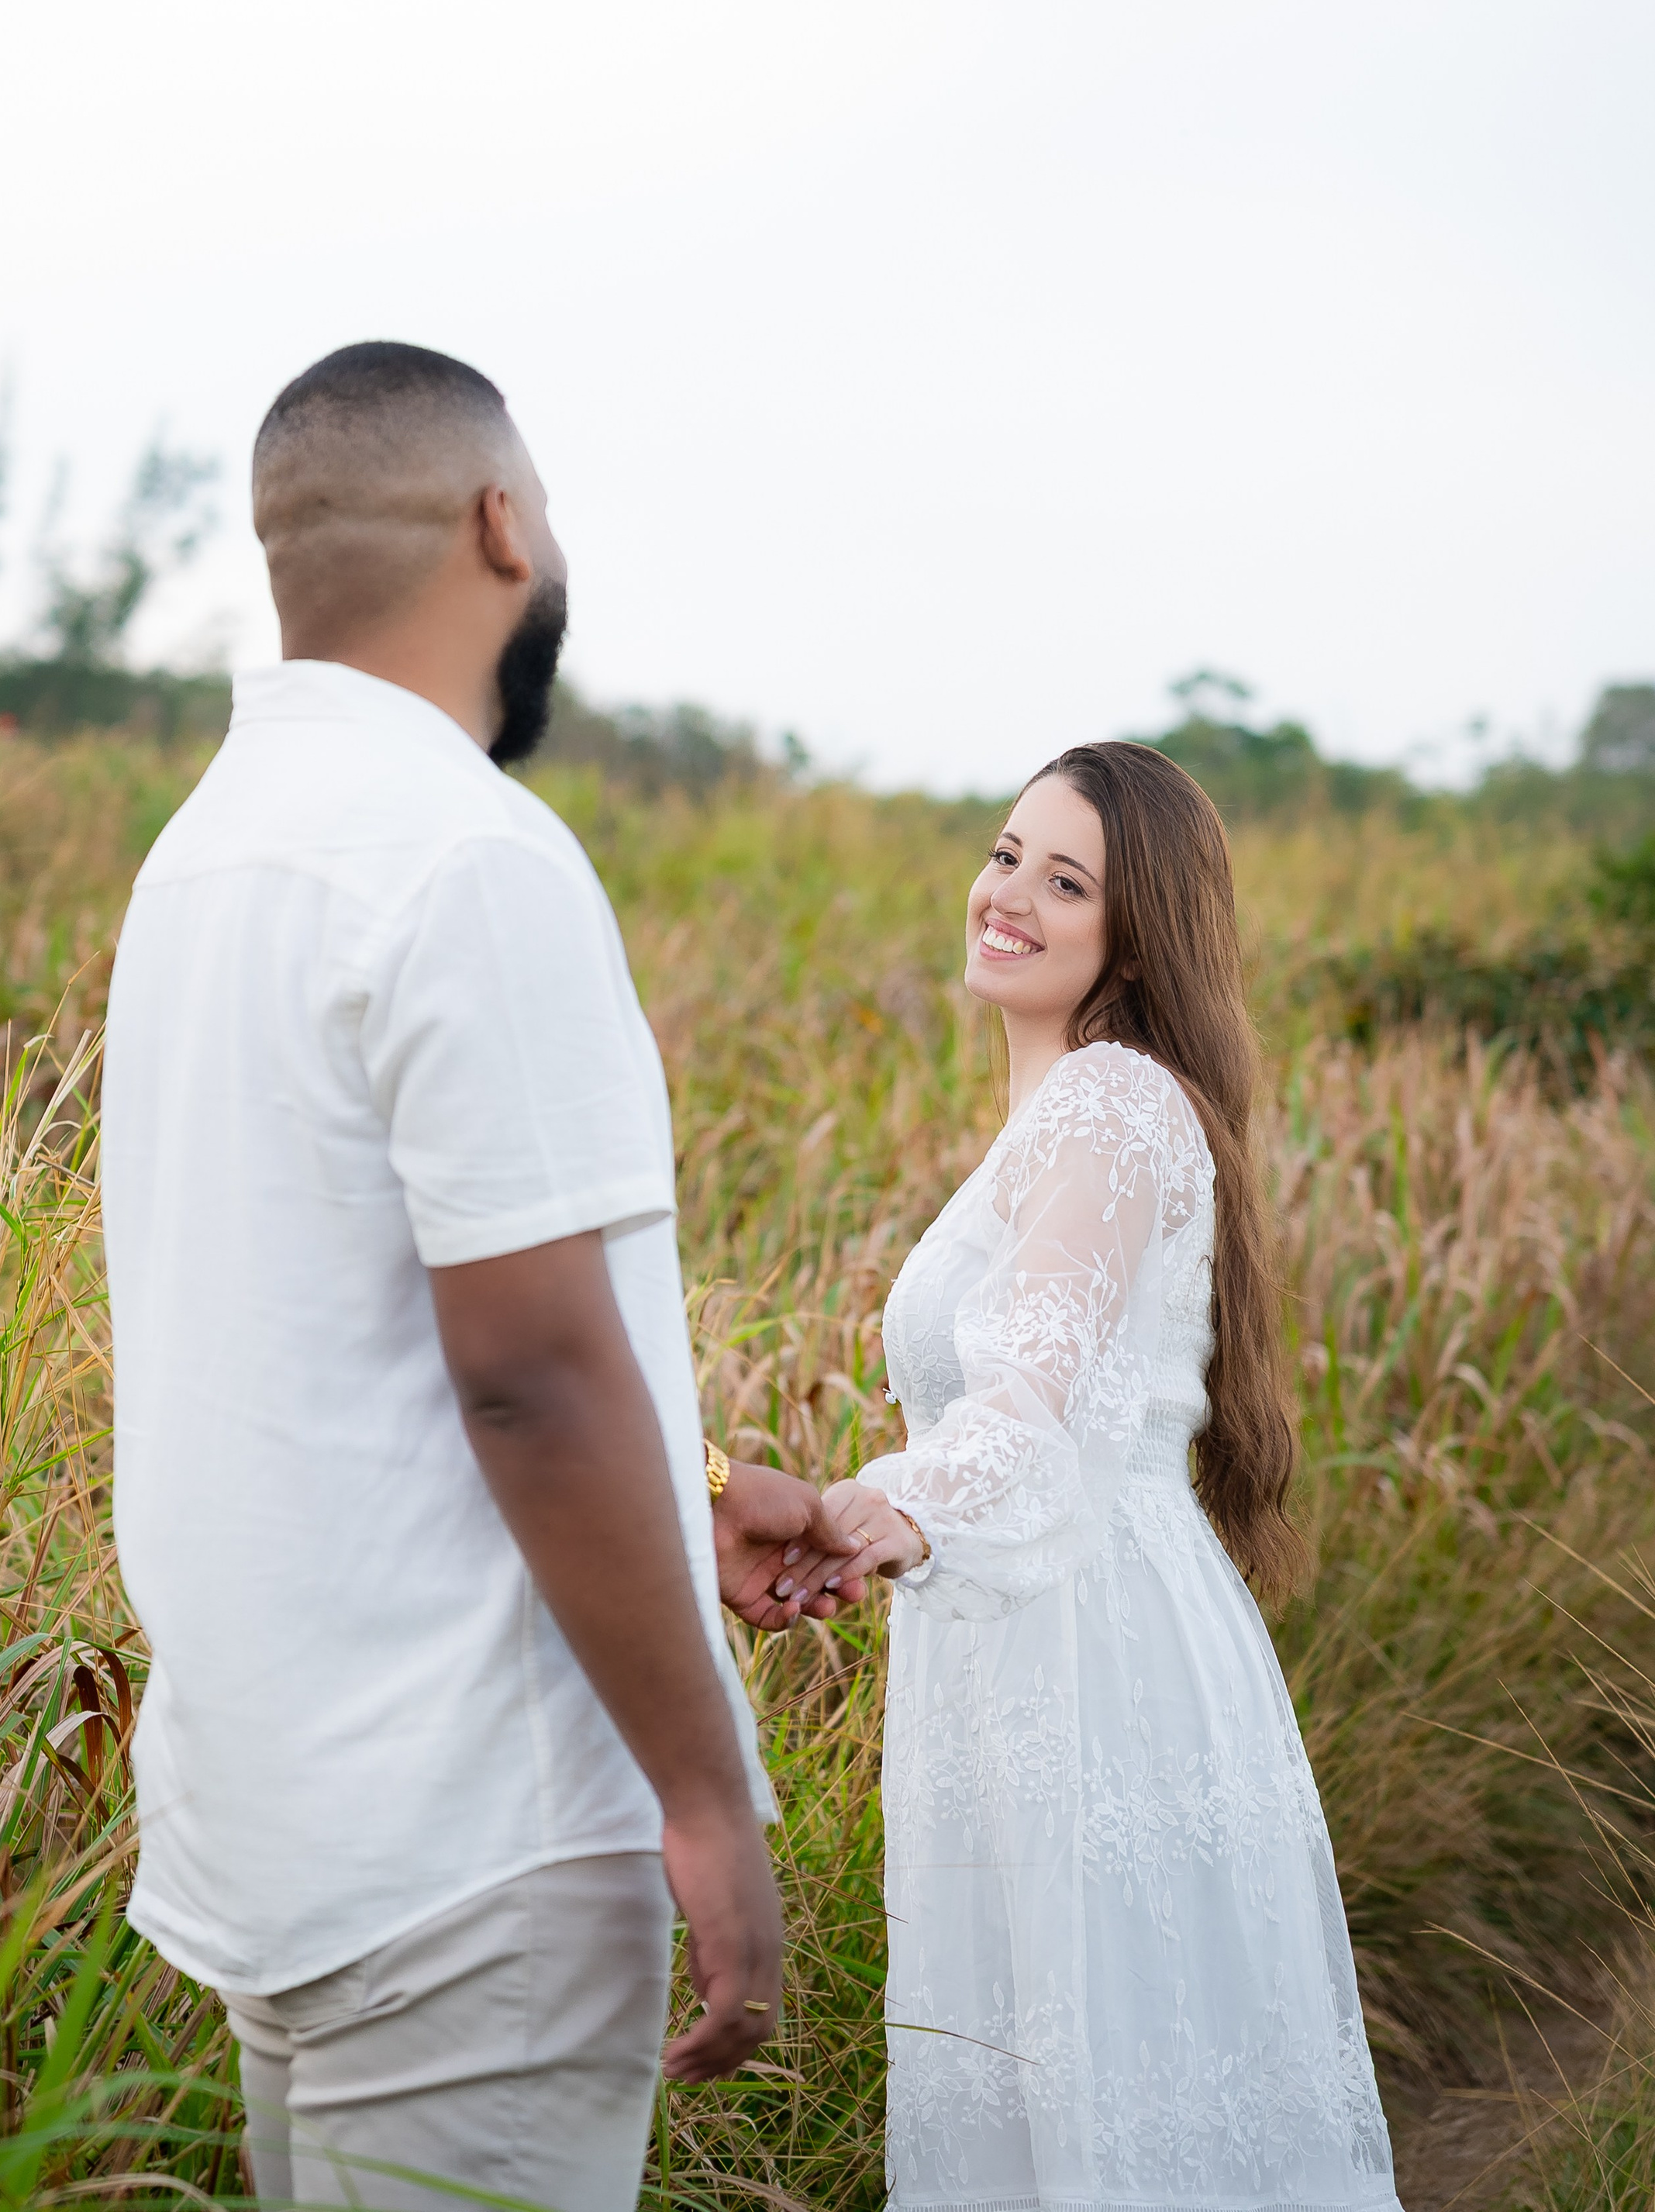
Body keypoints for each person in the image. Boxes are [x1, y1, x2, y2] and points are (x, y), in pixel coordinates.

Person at [102, 341, 860, 2212]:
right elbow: (527, 1368)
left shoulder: (199, 860)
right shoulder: (466, 855)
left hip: (277, 1824)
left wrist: (682, 1488)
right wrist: (703, 1789)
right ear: (500, 526)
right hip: (472, 1839)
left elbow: (326, 1332)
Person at [820, 744, 1402, 2212]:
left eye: (1065, 879)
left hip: (1088, 1656)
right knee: (1064, 2085)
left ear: (1134, 938)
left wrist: (892, 1511)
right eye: (1006, 852)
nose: (1008, 894)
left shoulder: (1107, 1104)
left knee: (1108, 2094)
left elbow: (1033, 1398)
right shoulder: (1078, 1111)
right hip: (1034, 1636)